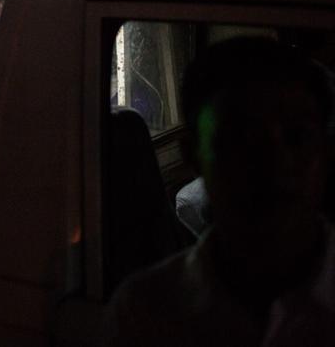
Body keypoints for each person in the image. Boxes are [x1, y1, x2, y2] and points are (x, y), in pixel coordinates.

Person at [106, 36, 335, 346]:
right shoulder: (142, 313)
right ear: (193, 155)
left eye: (297, 137)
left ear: (326, 149)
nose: (274, 163)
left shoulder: (147, 309)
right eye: (240, 139)